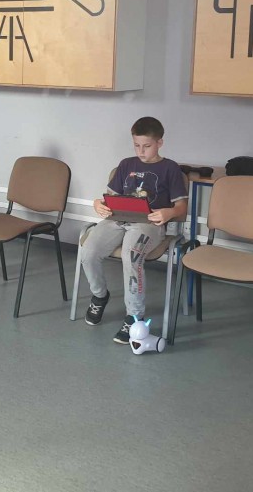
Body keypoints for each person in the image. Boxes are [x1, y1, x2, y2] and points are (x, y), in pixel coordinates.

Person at [80, 116, 188, 343]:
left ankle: (135, 316)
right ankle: (100, 296)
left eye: (146, 146)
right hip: (118, 219)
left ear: (160, 143)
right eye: (136, 145)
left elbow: (181, 207)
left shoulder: (170, 168)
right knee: (88, 251)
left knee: (132, 256)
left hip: (149, 224)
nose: (141, 151)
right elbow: (109, 198)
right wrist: (98, 204)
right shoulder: (126, 165)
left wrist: (168, 213)